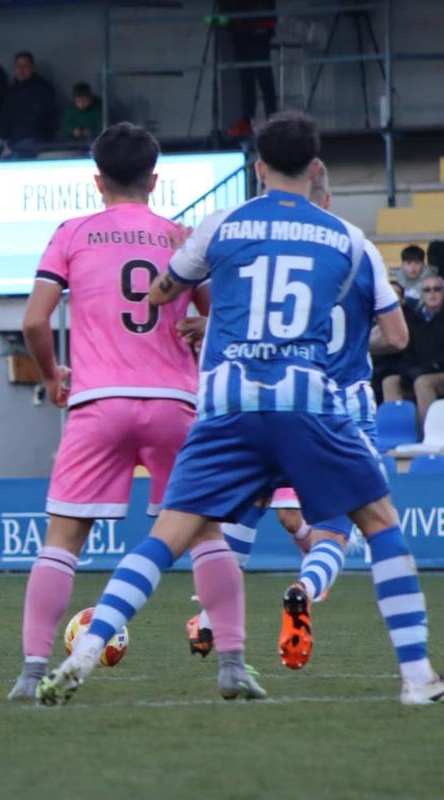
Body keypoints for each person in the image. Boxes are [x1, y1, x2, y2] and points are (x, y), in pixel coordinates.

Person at [39, 111, 444, 707]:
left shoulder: (220, 224)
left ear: (257, 167)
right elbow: (394, 330)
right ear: (314, 167)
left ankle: (85, 649)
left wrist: (201, 294)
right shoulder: (348, 239)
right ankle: (417, 677)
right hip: (307, 402)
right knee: (380, 525)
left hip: (226, 403)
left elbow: (163, 292)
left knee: (166, 537)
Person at [5, 123, 208, 701]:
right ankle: (233, 662)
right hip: (175, 402)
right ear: (156, 179)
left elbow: (34, 322)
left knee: (63, 540)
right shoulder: (180, 237)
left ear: (96, 181)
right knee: (206, 533)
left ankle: (30, 669)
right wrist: (202, 326)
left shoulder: (71, 232)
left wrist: (51, 375)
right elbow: (217, 318)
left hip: (98, 401)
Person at [186, 160, 409, 666]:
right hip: (342, 404)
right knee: (335, 527)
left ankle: (208, 618)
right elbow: (398, 337)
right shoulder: (354, 248)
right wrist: (357, 339)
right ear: (325, 201)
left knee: (248, 505)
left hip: (276, 394)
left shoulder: (264, 251)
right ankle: (306, 588)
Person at [382, 273, 444, 429]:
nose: (432, 294)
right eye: (427, 290)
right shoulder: (415, 319)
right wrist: (407, 372)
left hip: (438, 372)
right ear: (422, 294)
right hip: (422, 371)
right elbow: (407, 352)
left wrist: (425, 369)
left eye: (437, 289)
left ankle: (428, 435)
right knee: (390, 382)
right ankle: (398, 433)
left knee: (423, 383)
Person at [222, 0, 278, 138]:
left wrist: (268, 24)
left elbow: (270, 7)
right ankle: (248, 121)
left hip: (258, 30)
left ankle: (274, 122)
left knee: (264, 79)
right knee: (246, 78)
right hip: (240, 30)